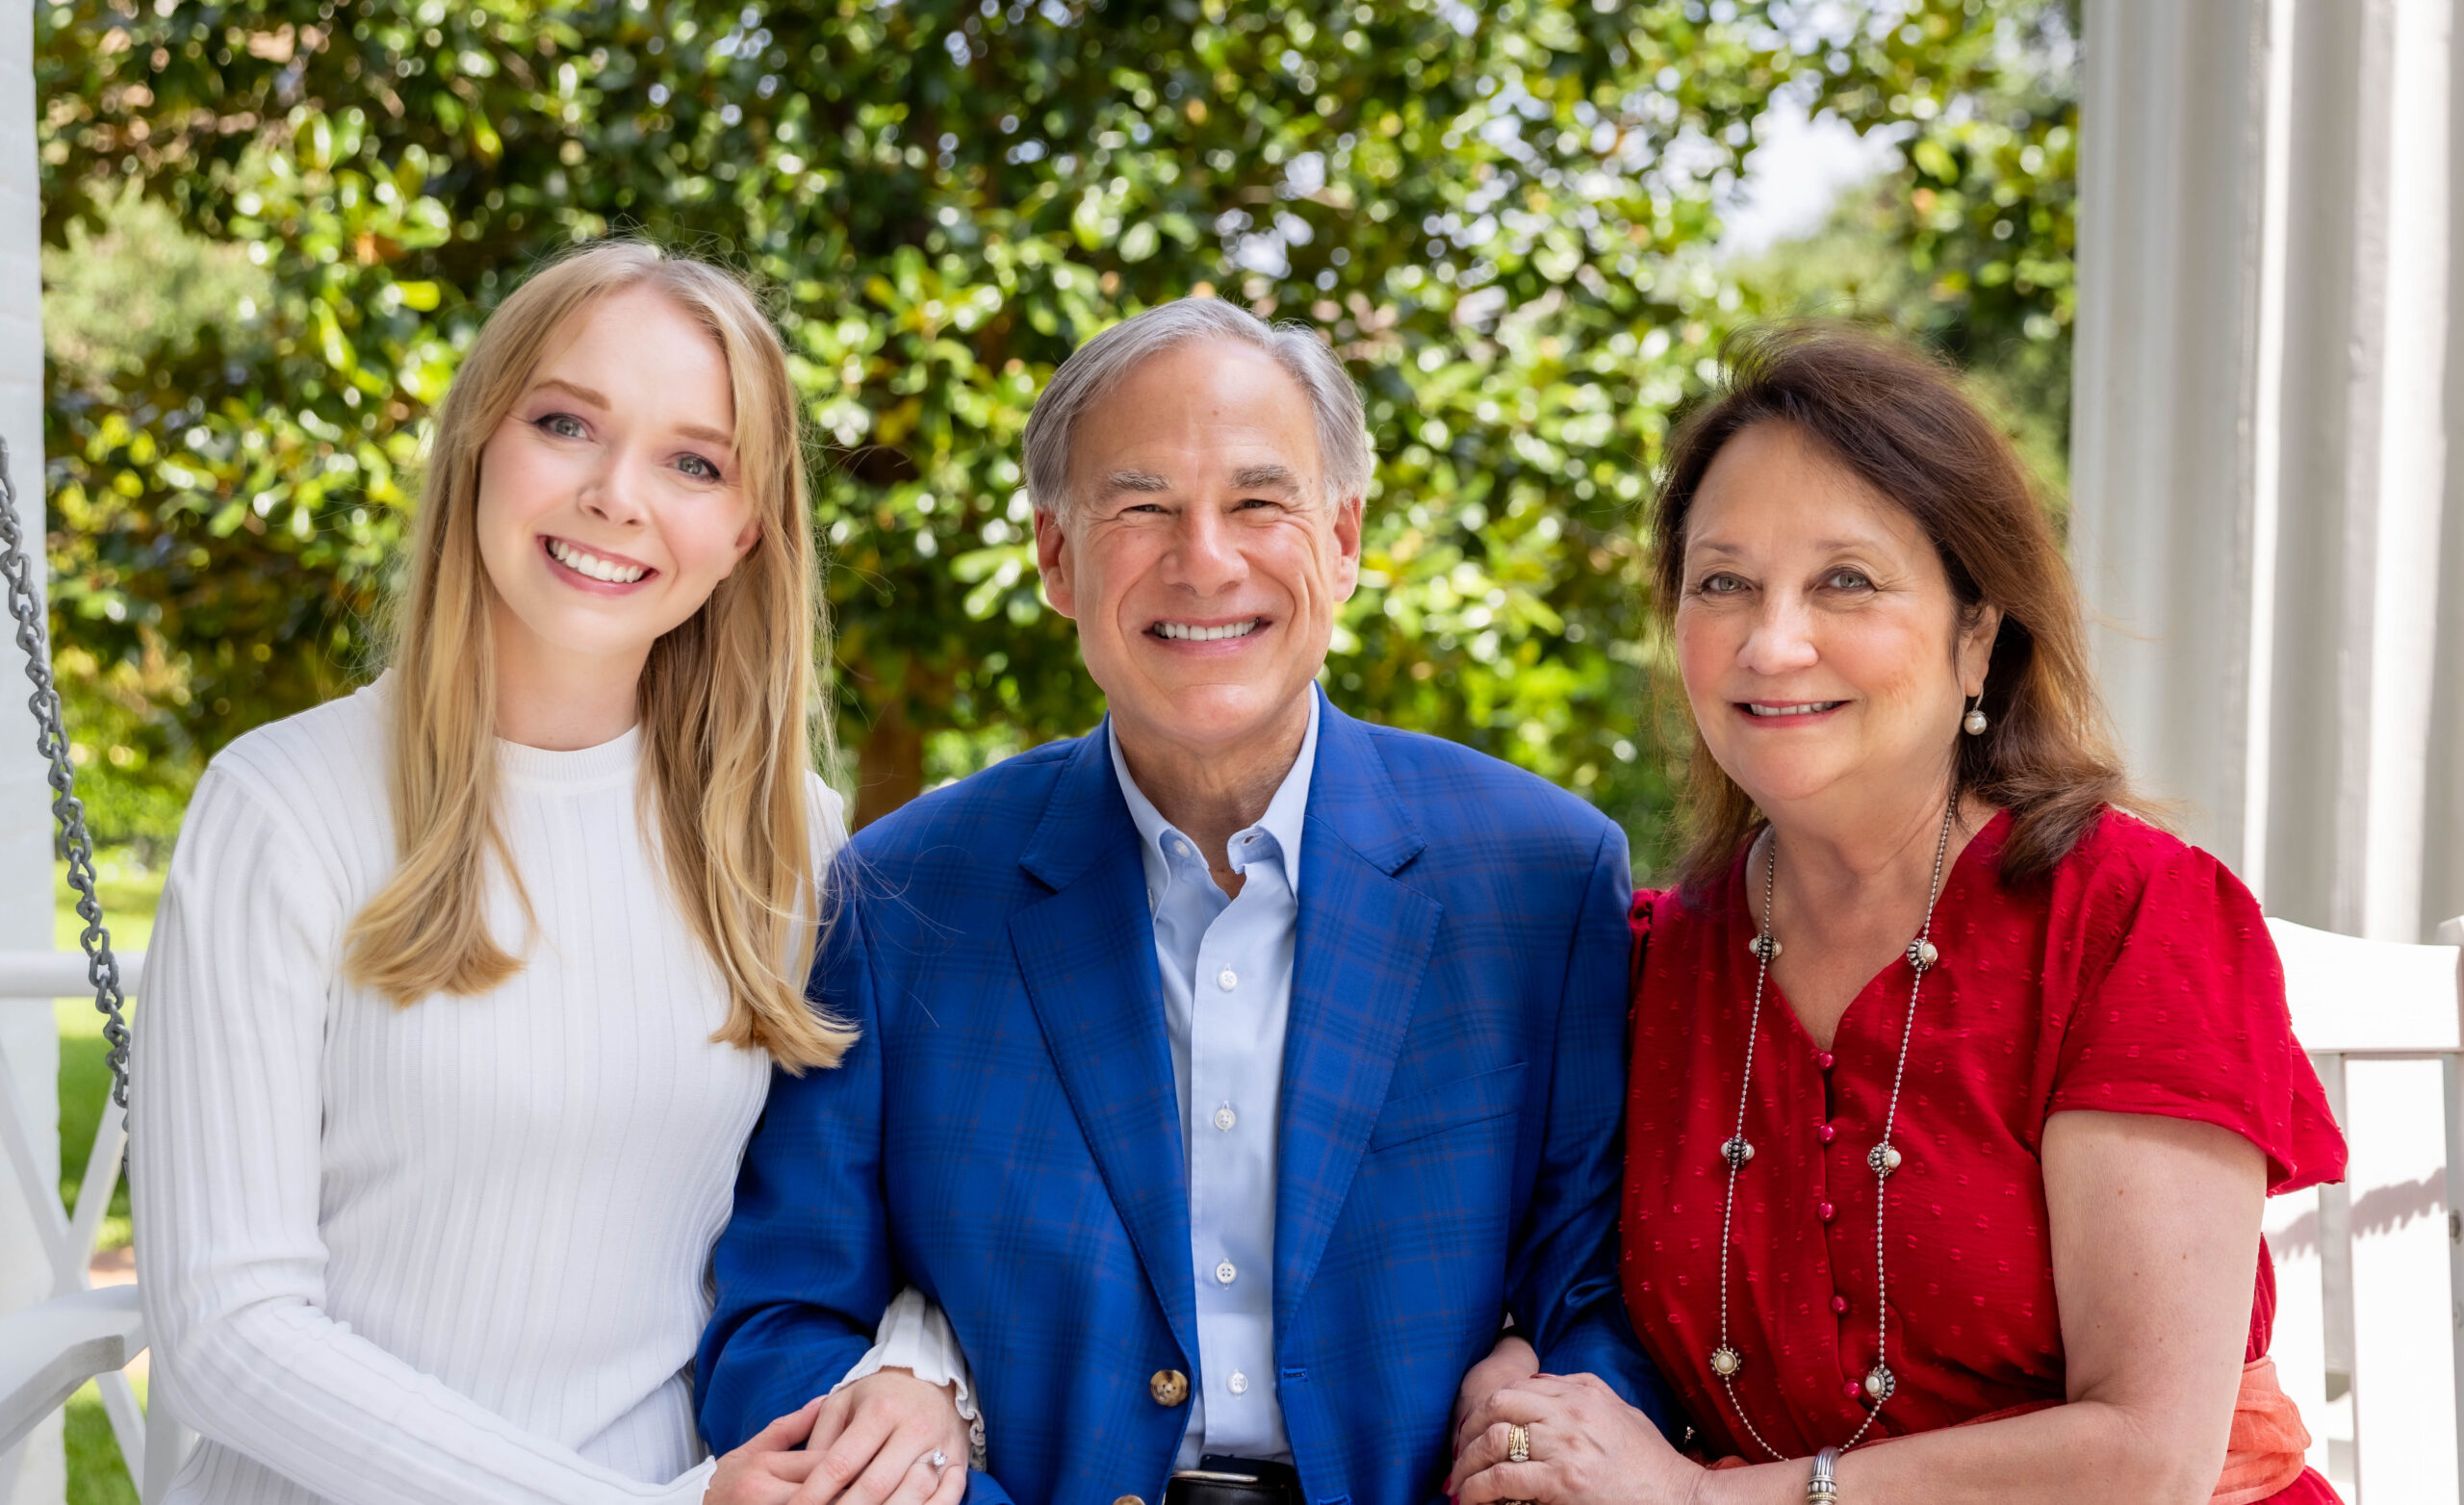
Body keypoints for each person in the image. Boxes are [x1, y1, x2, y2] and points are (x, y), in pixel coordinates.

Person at [695, 296, 1677, 1505]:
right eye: (1142, 505)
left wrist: (1526, 1453)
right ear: (1057, 559)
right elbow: (780, 1326)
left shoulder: (1541, 875)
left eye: (1259, 503)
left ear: (1345, 541)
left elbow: (1608, 1305)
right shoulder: (902, 893)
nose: (1204, 560)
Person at [132, 242, 974, 1505]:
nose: (616, 495)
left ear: (745, 530)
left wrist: (918, 1374)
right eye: (567, 423)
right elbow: (224, 1331)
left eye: (693, 460)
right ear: (478, 440)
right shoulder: (283, 806)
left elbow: (897, 1218)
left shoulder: (787, 836)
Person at [1447, 324, 2346, 1505]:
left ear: (1979, 633)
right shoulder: (1647, 962)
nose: (1772, 643)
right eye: (1724, 583)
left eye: (1846, 581)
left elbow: (2145, 1455)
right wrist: (1511, 1375)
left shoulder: (2131, 920)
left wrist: (1702, 1500)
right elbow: (1537, 1279)